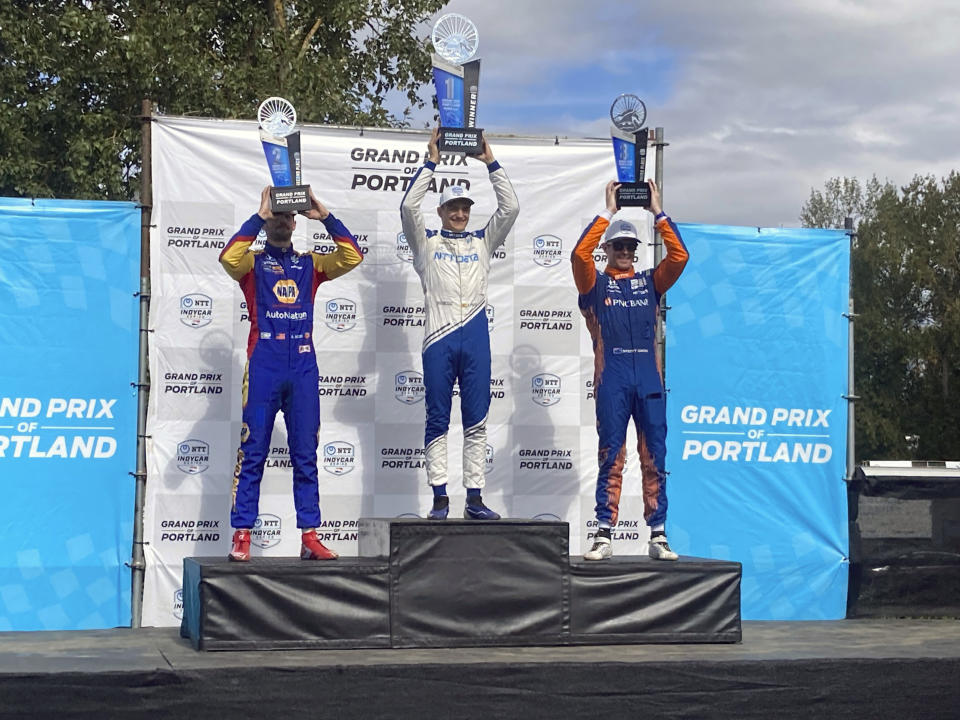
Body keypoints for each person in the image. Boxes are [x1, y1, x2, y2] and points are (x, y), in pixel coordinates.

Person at [220, 186, 363, 561]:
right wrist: (260, 214)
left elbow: (352, 256)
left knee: (306, 453)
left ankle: (310, 534)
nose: (282, 221)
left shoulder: (310, 263)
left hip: (302, 367)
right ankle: (243, 532)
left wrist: (325, 215)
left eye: (287, 215)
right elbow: (228, 258)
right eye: (277, 215)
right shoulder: (252, 263)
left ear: (296, 222)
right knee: (253, 451)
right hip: (264, 365)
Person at [400, 129, 519, 520]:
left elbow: (511, 208)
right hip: (439, 341)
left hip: (476, 342)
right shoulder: (426, 243)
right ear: (441, 210)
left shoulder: (482, 242)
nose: (460, 213)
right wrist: (431, 162)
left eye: (465, 207)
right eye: (453, 206)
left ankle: (474, 497)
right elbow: (407, 209)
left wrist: (491, 163)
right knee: (437, 418)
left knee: (477, 421)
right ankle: (438, 499)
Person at [572, 179, 689, 561]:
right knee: (612, 456)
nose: (624, 251)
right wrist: (609, 212)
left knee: (654, 455)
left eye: (629, 246)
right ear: (607, 248)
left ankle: (658, 534)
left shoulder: (650, 282)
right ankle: (604, 533)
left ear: (636, 252)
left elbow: (680, 257)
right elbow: (578, 255)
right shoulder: (594, 283)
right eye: (617, 245)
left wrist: (657, 212)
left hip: (650, 382)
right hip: (613, 380)